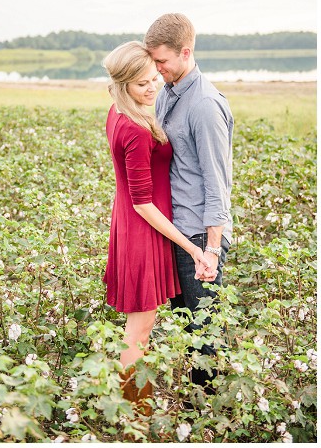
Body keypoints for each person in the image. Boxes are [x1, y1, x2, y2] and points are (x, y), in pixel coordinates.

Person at [102, 41, 214, 415]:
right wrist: (192, 246)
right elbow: (142, 202)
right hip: (145, 233)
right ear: (123, 85)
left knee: (139, 331)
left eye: (154, 79)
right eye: (141, 84)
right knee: (140, 333)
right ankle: (136, 417)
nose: (152, 88)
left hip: (132, 227)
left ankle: (134, 411)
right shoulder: (134, 128)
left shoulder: (118, 112)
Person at [144, 13, 234, 397]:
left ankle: (207, 417)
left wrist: (211, 250)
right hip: (178, 230)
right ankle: (199, 405)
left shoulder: (204, 105)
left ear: (186, 52)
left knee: (204, 333)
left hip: (200, 234)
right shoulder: (167, 91)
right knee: (187, 325)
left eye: (161, 61)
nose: (156, 68)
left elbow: (218, 185)